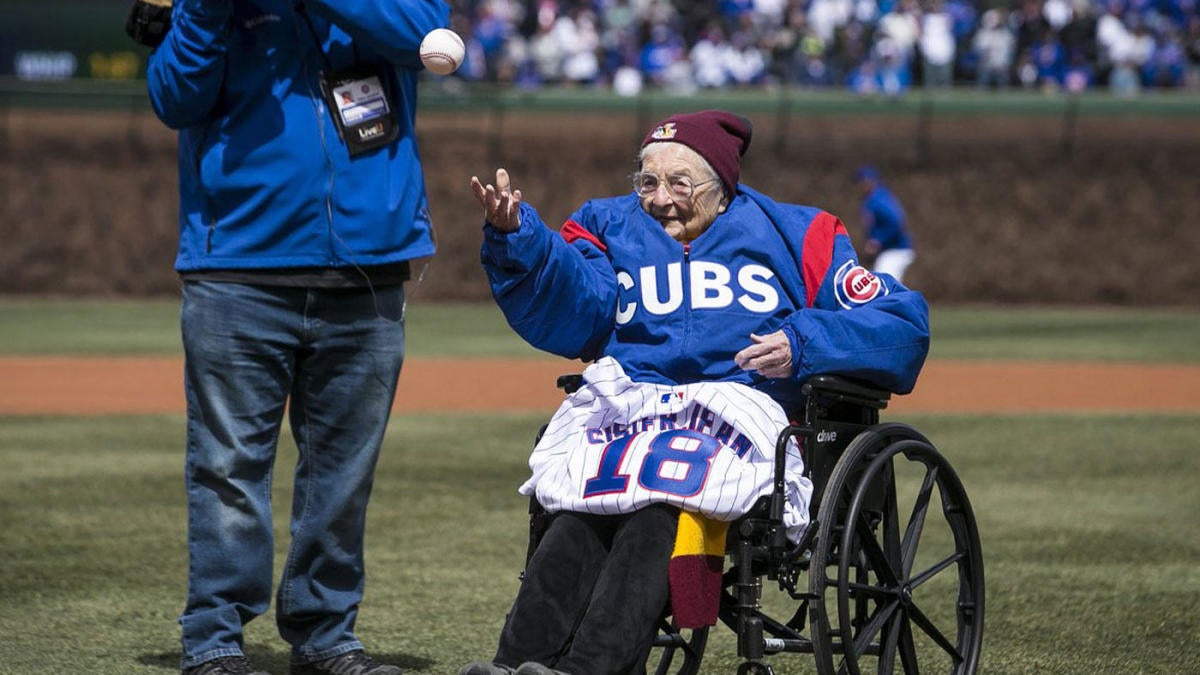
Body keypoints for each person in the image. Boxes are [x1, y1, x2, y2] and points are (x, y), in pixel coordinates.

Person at [460, 111, 930, 675]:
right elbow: (575, 307)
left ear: (723, 187)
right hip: (635, 414)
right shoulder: (605, 227)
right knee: (583, 505)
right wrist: (522, 243)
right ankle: (514, 663)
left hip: (737, 420)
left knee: (662, 500)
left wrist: (802, 342)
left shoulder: (801, 235)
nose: (660, 199)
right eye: (648, 181)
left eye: (680, 183)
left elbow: (902, 326)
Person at [143, 1, 450, 674]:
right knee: (227, 468)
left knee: (343, 473)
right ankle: (216, 637)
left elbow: (424, 35)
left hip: (369, 266)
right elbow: (173, 96)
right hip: (238, 269)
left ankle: (325, 634)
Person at [855, 165, 916, 283]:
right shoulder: (873, 198)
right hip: (889, 251)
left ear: (869, 181)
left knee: (882, 285)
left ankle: (909, 301)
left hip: (896, 250)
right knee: (880, 284)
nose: (859, 186)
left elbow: (896, 221)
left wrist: (878, 241)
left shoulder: (878, 199)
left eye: (862, 181)